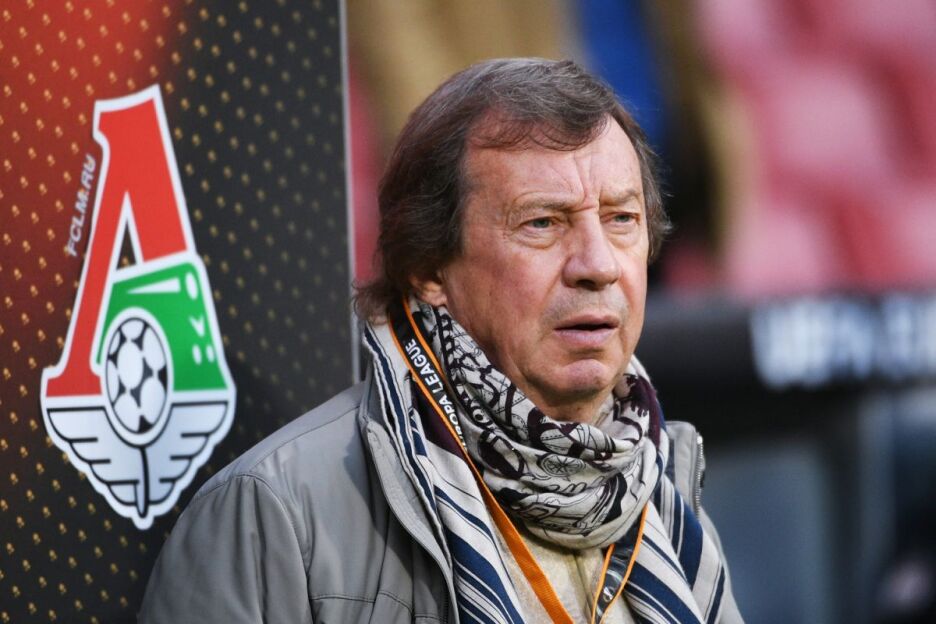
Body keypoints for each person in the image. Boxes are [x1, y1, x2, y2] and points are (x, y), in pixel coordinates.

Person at [140, 58, 743, 623]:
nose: (598, 265)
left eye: (621, 219)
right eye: (542, 222)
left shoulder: (669, 499)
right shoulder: (274, 515)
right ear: (429, 268)